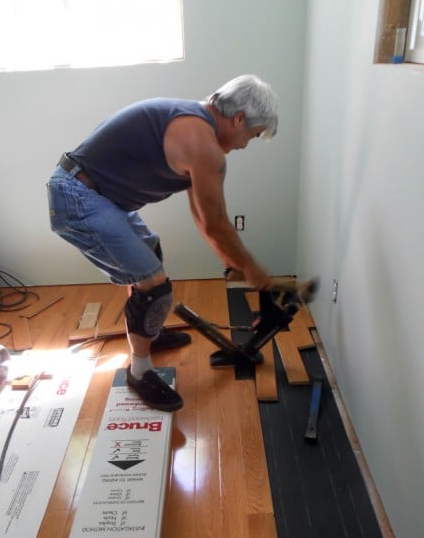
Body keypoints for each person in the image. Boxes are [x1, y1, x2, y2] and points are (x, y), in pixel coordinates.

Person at [47, 74, 279, 412]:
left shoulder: (193, 123)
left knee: (148, 258)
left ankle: (148, 335)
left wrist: (230, 262)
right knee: (154, 288)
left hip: (99, 195)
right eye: (251, 136)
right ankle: (139, 372)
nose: (245, 145)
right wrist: (251, 268)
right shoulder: (203, 146)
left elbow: (202, 217)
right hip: (78, 197)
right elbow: (215, 222)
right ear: (239, 118)